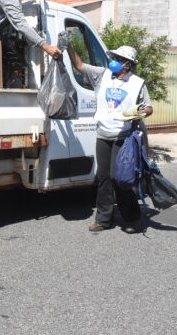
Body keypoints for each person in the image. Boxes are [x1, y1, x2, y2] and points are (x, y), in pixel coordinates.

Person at [66, 44, 153, 234]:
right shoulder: (102, 75)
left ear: (128, 65)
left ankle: (132, 217)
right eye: (114, 57)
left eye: (119, 59)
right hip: (103, 135)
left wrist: (140, 112)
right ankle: (103, 219)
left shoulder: (137, 83)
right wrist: (69, 46)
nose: (114, 61)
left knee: (119, 178)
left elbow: (149, 107)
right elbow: (80, 65)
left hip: (123, 137)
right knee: (103, 178)